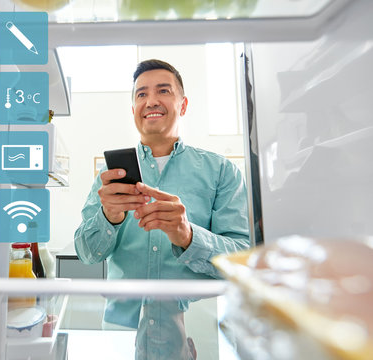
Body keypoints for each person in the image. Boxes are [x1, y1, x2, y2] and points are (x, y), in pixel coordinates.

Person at [74, 59, 250, 358]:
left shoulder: (222, 171)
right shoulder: (109, 178)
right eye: (141, 94)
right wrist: (109, 217)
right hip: (121, 333)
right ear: (133, 110)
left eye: (163, 91)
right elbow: (87, 254)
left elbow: (242, 259)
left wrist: (188, 236)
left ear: (182, 105)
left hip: (199, 329)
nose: (151, 100)